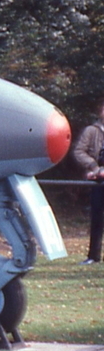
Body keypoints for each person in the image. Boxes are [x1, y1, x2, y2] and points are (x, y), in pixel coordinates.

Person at [72, 102, 104, 264]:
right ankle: (93, 256)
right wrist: (94, 166)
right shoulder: (91, 131)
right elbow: (79, 151)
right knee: (97, 218)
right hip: (98, 180)